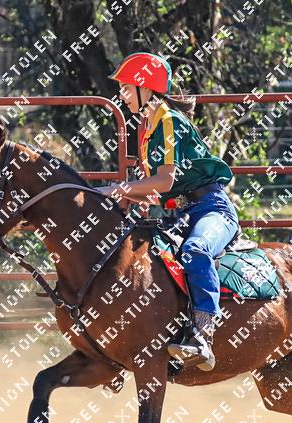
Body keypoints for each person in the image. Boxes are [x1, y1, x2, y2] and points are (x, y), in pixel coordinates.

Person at [99, 52, 240, 371]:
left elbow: (164, 181)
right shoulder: (150, 126)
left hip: (212, 209)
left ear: (145, 88)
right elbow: (158, 190)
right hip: (180, 214)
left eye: (126, 88)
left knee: (196, 250)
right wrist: (123, 195)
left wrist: (118, 189)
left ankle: (203, 335)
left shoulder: (168, 121)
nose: (122, 95)